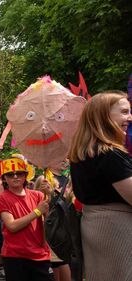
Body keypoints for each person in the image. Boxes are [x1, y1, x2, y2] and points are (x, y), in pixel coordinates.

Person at [68, 92, 132, 281]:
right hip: (116, 230)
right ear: (104, 116)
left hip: (97, 227)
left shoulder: (83, 154)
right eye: (124, 112)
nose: (130, 117)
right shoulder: (110, 155)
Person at [0, 157, 51, 281]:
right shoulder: (1, 198)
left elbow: (50, 224)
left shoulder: (38, 195)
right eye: (10, 174)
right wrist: (37, 211)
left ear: (25, 176)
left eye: (19, 173)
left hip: (39, 255)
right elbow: (12, 226)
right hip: (15, 256)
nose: (15, 177)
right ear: (4, 178)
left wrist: (49, 195)